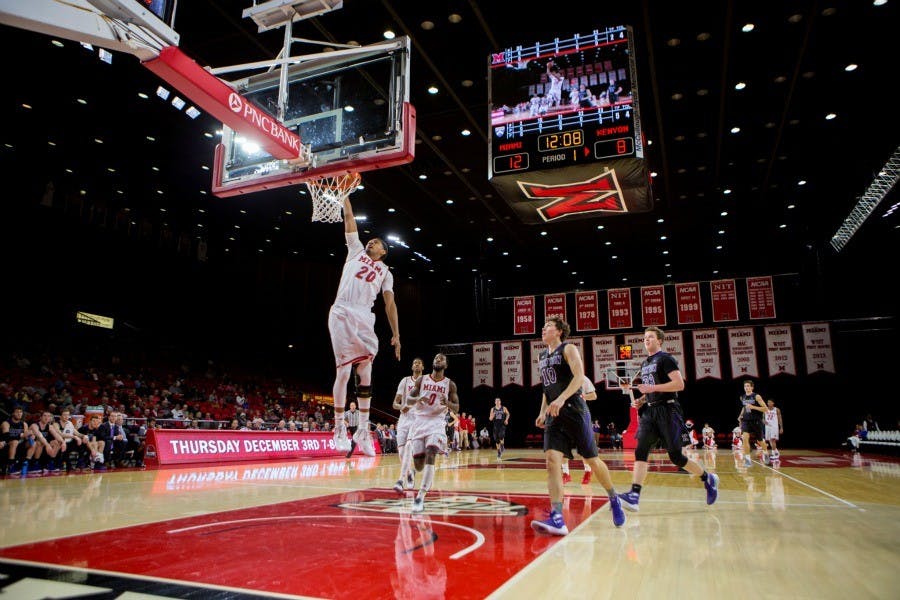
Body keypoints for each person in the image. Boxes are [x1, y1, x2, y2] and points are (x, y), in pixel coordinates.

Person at [532, 317, 625, 535]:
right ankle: (557, 516)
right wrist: (542, 411)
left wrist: (562, 399)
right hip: (554, 413)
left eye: (548, 326)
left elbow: (579, 377)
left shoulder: (569, 348)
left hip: (574, 409)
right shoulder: (542, 356)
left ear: (559, 331)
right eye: (543, 325)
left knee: (592, 460)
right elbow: (547, 389)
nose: (543, 328)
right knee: (552, 460)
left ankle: (613, 498)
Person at [617, 326, 719, 513]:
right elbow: (651, 389)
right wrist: (642, 399)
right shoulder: (645, 363)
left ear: (660, 340)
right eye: (644, 338)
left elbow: (679, 384)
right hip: (651, 412)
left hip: (669, 410)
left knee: (676, 456)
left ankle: (707, 478)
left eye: (650, 337)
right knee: (641, 450)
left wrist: (652, 390)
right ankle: (634, 495)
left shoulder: (666, 359)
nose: (646, 340)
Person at [328, 194, 401, 457]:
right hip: (342, 311)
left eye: (377, 242)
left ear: (384, 252)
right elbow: (348, 218)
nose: (371, 241)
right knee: (344, 371)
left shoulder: (386, 273)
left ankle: (362, 431)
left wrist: (397, 335)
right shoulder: (356, 249)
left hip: (364, 316)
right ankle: (338, 428)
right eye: (371, 239)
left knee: (366, 370)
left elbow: (390, 304)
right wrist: (344, 195)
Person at [405, 353, 460, 512]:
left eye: (441, 359)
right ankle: (412, 471)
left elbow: (457, 407)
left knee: (431, 453)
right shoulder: (422, 380)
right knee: (419, 464)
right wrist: (417, 399)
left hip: (436, 422)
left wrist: (447, 403)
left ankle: (420, 496)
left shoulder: (450, 384)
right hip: (420, 421)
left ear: (446, 365)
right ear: (433, 362)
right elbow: (408, 401)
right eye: (436, 358)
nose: (438, 360)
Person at [392, 357, 424, 494]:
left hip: (417, 420)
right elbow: (395, 403)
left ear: (422, 367)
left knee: (409, 448)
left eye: (419, 363)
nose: (416, 364)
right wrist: (401, 406)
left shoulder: (426, 383)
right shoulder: (404, 381)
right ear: (412, 367)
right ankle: (410, 472)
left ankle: (400, 480)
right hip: (404, 420)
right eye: (414, 363)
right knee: (401, 453)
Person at [561, 375, 597, 485]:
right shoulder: (561, 378)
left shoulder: (583, 378)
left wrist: (582, 396)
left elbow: (594, 395)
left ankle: (587, 471)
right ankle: (566, 474)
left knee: (583, 448)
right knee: (563, 447)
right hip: (564, 414)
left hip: (580, 414)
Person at [738, 380, 769, 467]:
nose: (746, 388)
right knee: (744, 438)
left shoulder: (756, 396)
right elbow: (744, 407)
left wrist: (753, 407)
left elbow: (765, 409)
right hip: (746, 421)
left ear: (752, 387)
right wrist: (740, 415)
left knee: (760, 440)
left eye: (748, 386)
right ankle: (748, 460)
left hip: (756, 421)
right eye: (745, 386)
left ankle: (766, 453)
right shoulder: (743, 397)